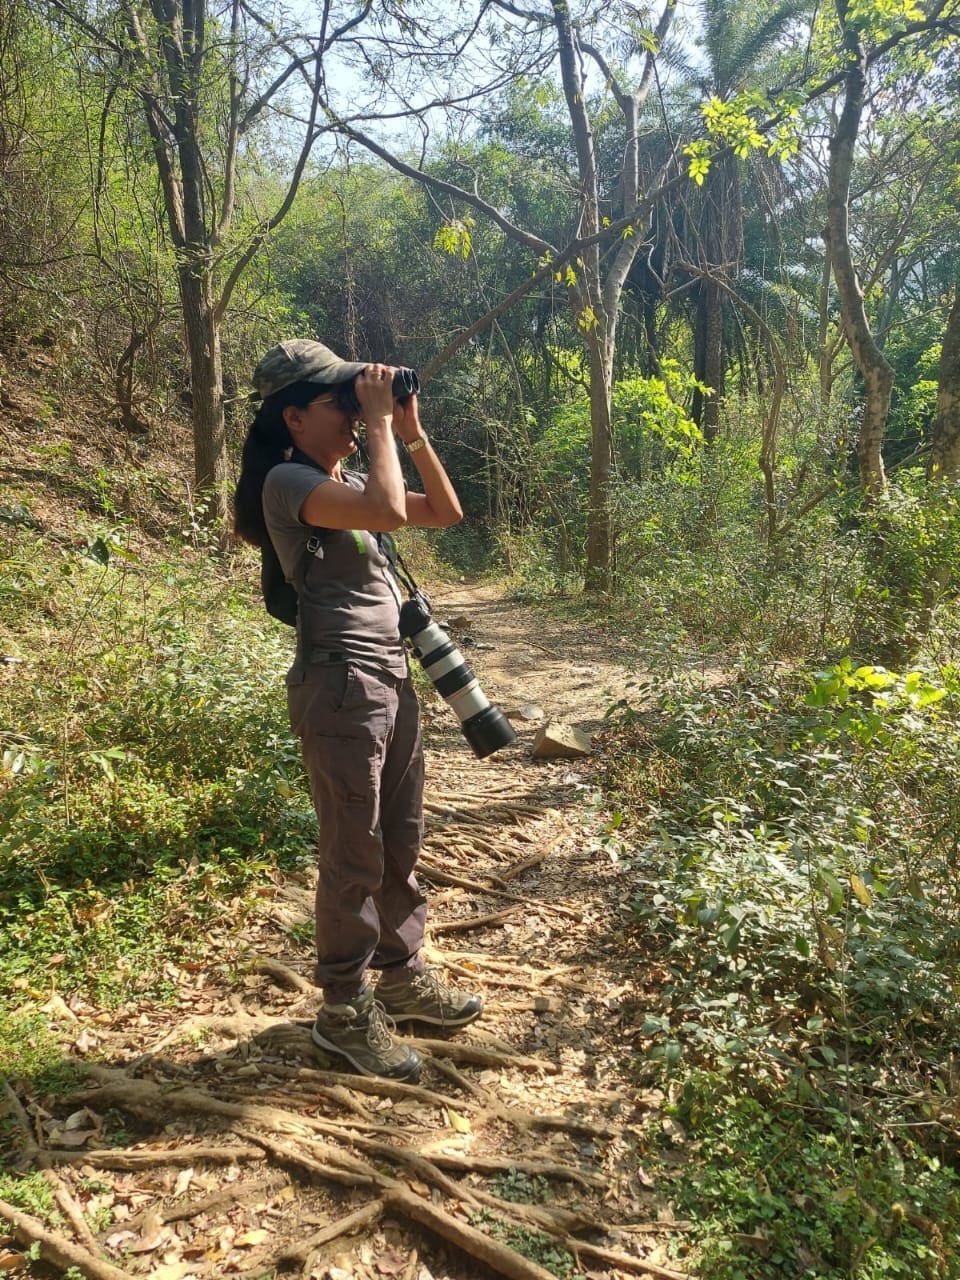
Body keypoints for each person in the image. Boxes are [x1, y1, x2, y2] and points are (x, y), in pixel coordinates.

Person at [234, 338, 483, 1082]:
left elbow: (443, 509)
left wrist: (407, 429)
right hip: (340, 683)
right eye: (338, 403)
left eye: (354, 401)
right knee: (353, 850)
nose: (350, 415)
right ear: (294, 416)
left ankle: (402, 977)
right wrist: (376, 421)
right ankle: (342, 1010)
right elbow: (384, 504)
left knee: (399, 838)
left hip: (386, 678)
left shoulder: (346, 483)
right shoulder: (288, 481)